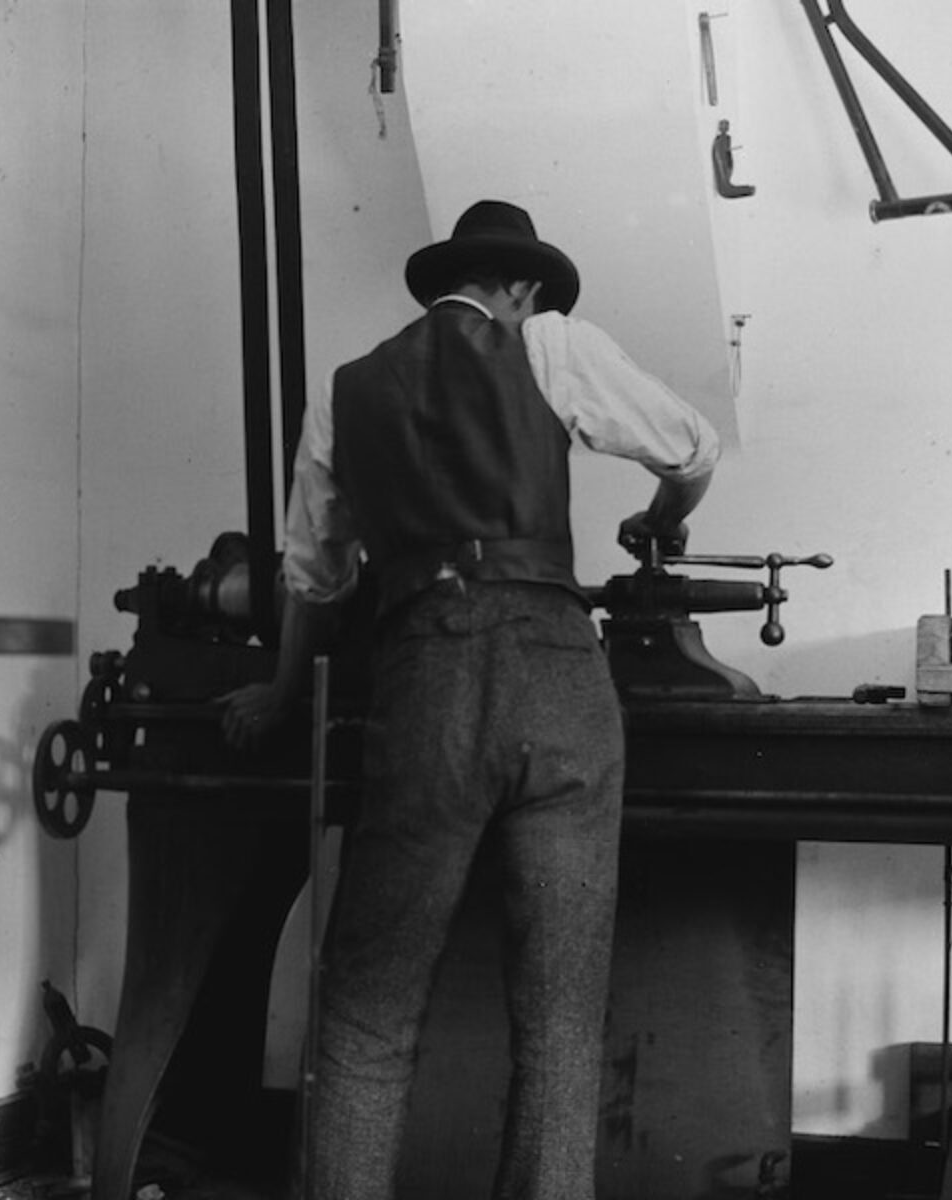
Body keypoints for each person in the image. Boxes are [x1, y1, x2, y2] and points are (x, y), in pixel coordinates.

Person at [220, 199, 720, 1199]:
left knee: (368, 1009)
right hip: (561, 682)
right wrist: (661, 516)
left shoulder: (347, 388)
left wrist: (278, 696)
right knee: (560, 1019)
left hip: (428, 684)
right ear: (523, 286)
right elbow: (693, 449)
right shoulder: (553, 344)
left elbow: (312, 582)